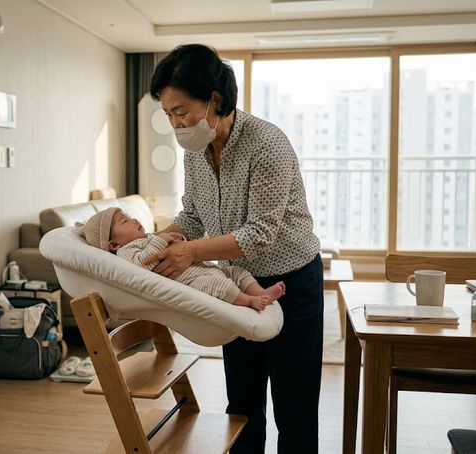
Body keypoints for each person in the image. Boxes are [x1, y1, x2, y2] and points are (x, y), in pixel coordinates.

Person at [145, 44, 324, 453]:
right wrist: (154, 243)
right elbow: (192, 215)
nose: (175, 123)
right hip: (235, 287)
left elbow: (260, 232)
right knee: (241, 406)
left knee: (294, 407)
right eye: (168, 114)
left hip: (291, 282)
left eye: (181, 111)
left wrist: (191, 253)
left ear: (215, 99)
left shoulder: (266, 144)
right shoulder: (194, 152)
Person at [77, 206, 286, 311]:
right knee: (219, 284)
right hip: (192, 280)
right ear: (113, 244)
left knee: (237, 272)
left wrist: (179, 239)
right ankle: (250, 301)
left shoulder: (147, 238)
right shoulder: (125, 253)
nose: (134, 220)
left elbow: (177, 247)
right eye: (125, 222)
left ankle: (260, 292)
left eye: (130, 217)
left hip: (202, 266)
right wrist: (162, 239)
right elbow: (140, 265)